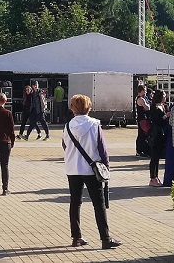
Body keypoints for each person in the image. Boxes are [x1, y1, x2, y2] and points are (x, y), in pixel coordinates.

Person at [63, 94, 121, 250]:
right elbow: (102, 149)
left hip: (72, 168)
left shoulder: (68, 126)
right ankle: (105, 238)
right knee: (98, 204)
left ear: (73, 108)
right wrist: (106, 168)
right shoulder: (95, 124)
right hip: (91, 168)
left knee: (75, 202)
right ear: (88, 107)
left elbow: (65, 146)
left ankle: (76, 237)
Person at [148, 90, 168, 187]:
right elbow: (157, 121)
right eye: (163, 95)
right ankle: (152, 177)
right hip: (156, 134)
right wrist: (165, 116)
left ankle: (156, 176)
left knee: (158, 157)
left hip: (162, 134)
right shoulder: (154, 107)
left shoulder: (163, 106)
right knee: (154, 157)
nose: (165, 97)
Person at [135, 85, 151, 158]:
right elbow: (147, 108)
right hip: (142, 119)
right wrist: (147, 105)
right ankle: (140, 150)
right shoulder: (141, 99)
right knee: (142, 135)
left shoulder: (143, 98)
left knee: (142, 134)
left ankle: (141, 150)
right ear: (141, 91)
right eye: (145, 90)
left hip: (143, 118)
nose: (146, 92)